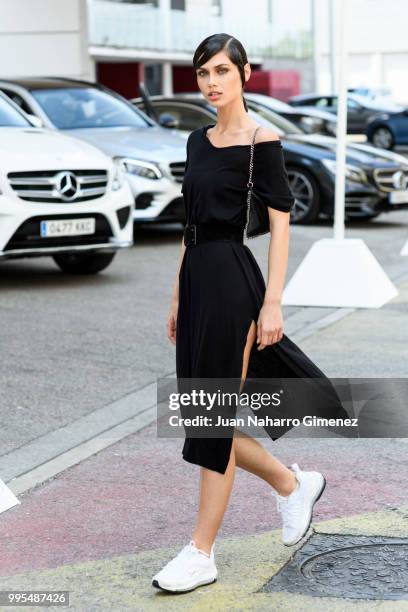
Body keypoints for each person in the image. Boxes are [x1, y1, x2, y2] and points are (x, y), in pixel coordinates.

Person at [152, 33, 343, 594]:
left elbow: (281, 224)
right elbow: (191, 226)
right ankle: (293, 484)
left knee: (211, 418)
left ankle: (200, 551)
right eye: (202, 73)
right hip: (197, 283)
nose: (210, 83)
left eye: (220, 71)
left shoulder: (265, 140)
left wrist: (273, 301)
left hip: (236, 284)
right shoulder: (197, 140)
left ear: (244, 73)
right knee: (203, 415)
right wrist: (176, 296)